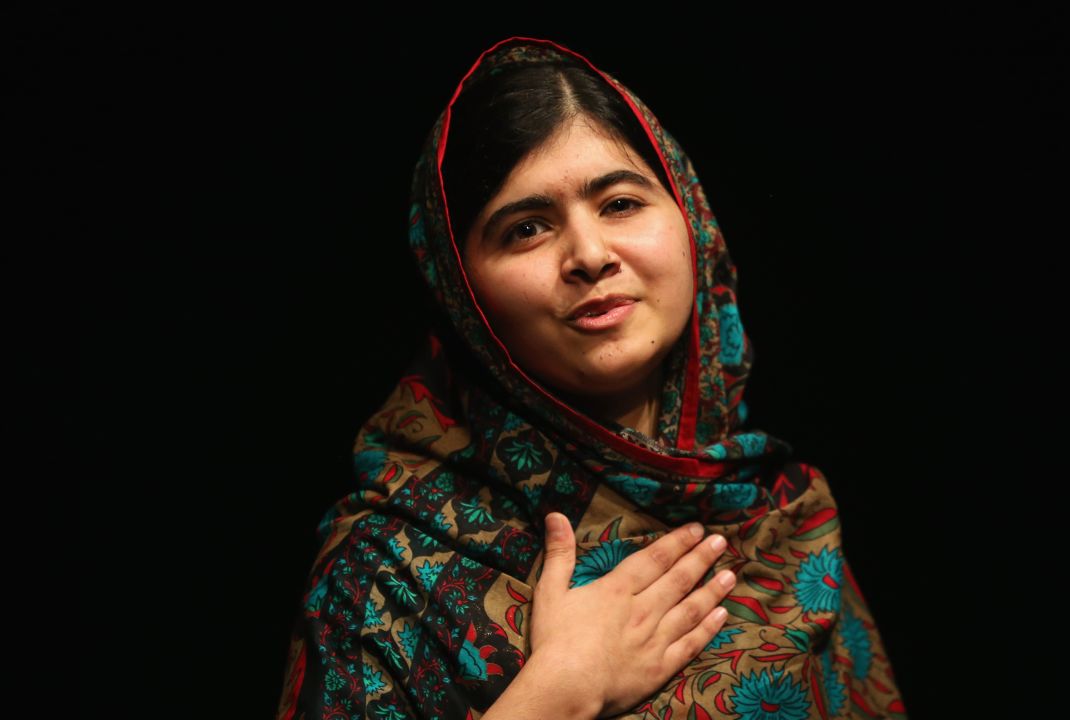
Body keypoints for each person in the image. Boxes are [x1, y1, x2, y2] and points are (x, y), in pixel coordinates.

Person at [274, 36, 908, 720]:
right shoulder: (382, 570)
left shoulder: (783, 517)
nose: (589, 254)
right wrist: (560, 692)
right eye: (525, 229)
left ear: (690, 220)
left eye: (621, 204)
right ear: (463, 295)